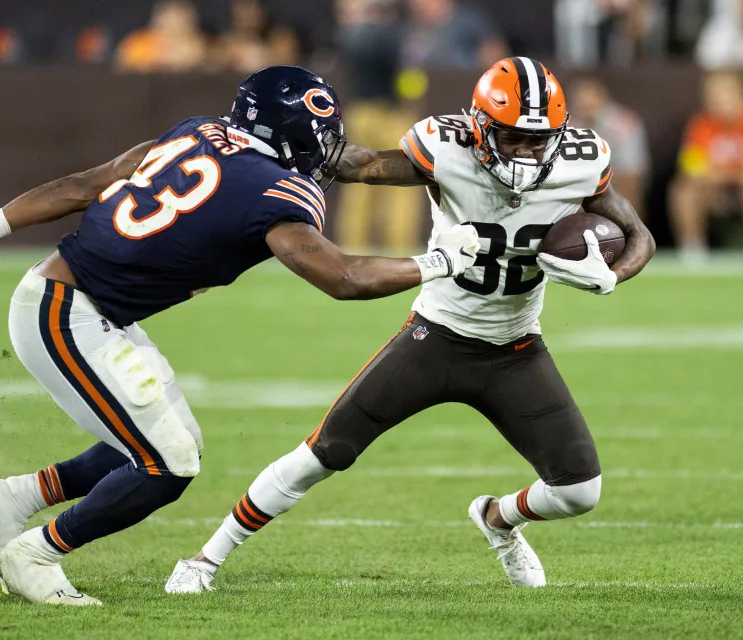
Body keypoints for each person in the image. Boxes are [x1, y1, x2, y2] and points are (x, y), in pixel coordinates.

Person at [0, 65, 480, 606]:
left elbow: (84, 185)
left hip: (83, 308)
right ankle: (37, 554)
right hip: (67, 315)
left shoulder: (195, 131)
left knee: (173, 443)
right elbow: (343, 277)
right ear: (291, 138)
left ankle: (10, 500)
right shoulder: (278, 193)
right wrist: (437, 262)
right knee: (166, 463)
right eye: (318, 137)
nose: (327, 150)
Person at [168, 56, 656, 593]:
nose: (525, 152)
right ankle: (203, 561)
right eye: (512, 137)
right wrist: (279, 138)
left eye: (537, 140)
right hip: (434, 337)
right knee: (324, 454)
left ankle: (497, 520)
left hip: (515, 349)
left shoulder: (582, 163)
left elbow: (639, 238)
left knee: (578, 491)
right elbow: (362, 166)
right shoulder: (446, 148)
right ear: (479, 126)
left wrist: (611, 276)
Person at [669, 72, 743, 265]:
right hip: (712, 189)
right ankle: (692, 249)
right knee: (682, 191)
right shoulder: (701, 124)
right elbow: (690, 169)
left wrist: (720, 174)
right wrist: (718, 178)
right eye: (714, 98)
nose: (720, 103)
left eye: (726, 96)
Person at [335, 0, 422, 252]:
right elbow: (408, 79)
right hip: (390, 112)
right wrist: (412, 99)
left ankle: (352, 248)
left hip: (359, 112)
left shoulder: (350, 35)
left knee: (357, 184)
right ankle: (400, 248)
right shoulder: (395, 36)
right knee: (402, 183)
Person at [569, 77, 649, 219]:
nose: (586, 105)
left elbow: (632, 168)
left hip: (617, 177)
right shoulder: (568, 126)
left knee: (628, 184)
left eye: (591, 99)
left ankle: (632, 234)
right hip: (582, 181)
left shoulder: (624, 123)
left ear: (602, 99)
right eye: (581, 102)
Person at [402, 0, 508, 69]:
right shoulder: (408, 28)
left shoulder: (468, 21)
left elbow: (495, 50)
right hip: (424, 93)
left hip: (464, 88)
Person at [114, 0, 207, 73]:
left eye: (181, 25)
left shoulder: (200, 47)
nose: (174, 31)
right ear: (157, 23)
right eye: (169, 25)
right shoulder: (137, 46)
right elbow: (123, 71)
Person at [211, 0, 299, 73]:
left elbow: (287, 60)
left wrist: (256, 57)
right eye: (246, 6)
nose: (253, 12)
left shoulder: (280, 38)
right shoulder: (223, 44)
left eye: (257, 6)